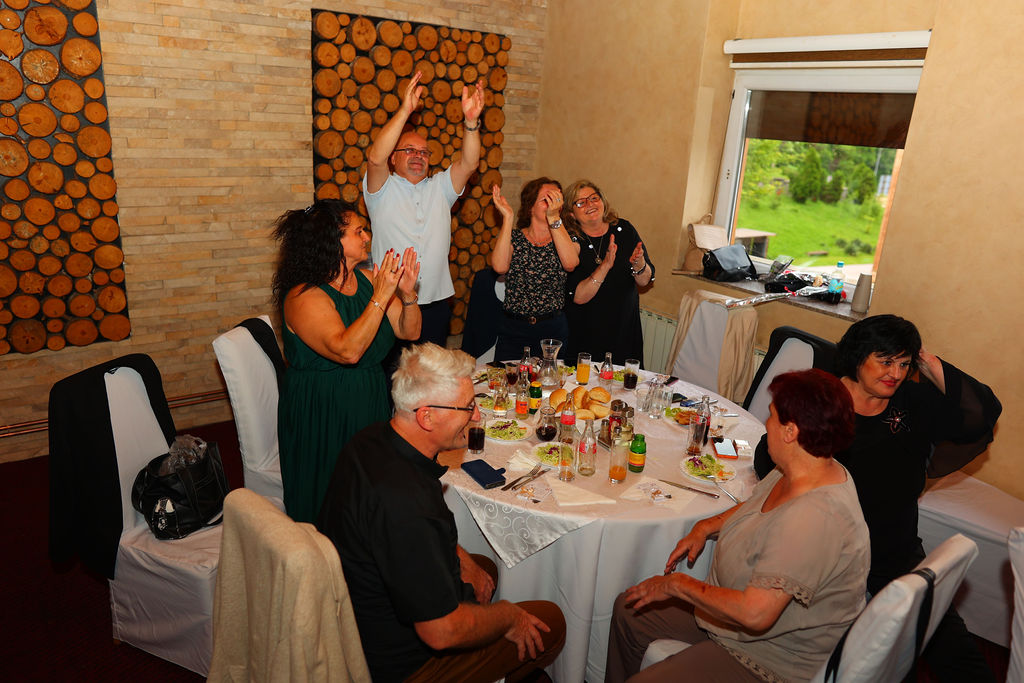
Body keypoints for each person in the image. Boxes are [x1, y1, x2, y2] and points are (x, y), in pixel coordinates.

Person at [754, 314, 1002, 682]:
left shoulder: (913, 403)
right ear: (858, 357)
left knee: (954, 649)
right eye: (885, 361)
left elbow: (980, 415)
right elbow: (767, 457)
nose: (896, 373)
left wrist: (925, 359)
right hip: (825, 549)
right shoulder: (822, 397)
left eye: (904, 363)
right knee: (842, 658)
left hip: (893, 550)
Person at [316, 343, 566, 682]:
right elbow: (440, 632)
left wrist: (462, 559)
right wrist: (508, 617)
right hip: (399, 664)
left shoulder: (370, 440)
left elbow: (415, 539)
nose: (477, 417)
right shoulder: (407, 503)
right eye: (468, 407)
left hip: (355, 608)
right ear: (427, 416)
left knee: (483, 567)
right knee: (550, 620)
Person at [607, 369, 869, 682]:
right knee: (630, 608)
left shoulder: (814, 518)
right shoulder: (806, 467)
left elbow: (755, 614)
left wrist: (678, 584)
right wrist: (706, 526)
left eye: (772, 415)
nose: (766, 425)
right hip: (733, 621)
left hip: (769, 657)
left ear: (790, 431)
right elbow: (757, 507)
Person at [271, 200, 421, 523]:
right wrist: (381, 297)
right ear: (332, 241)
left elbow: (409, 331)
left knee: (368, 492)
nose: (367, 237)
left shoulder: (368, 279)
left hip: (369, 397)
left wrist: (407, 295)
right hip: (322, 408)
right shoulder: (303, 296)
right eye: (358, 231)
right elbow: (347, 350)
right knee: (329, 496)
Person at [363, 70, 485, 347]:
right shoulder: (380, 189)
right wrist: (405, 111)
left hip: (435, 305)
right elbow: (375, 158)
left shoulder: (440, 187)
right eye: (409, 150)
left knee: (432, 372)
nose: (418, 156)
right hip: (389, 303)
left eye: (423, 152)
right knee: (392, 371)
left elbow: (469, 164)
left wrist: (470, 123)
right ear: (393, 159)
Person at [562, 180, 653, 366]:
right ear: (571, 213)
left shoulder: (624, 229)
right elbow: (578, 296)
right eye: (581, 202)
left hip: (624, 331)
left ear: (602, 201)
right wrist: (605, 266)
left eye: (594, 198)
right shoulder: (570, 241)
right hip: (586, 334)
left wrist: (639, 264)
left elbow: (645, 281)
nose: (590, 204)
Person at [491, 178, 579, 362]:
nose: (553, 203)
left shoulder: (568, 237)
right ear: (530, 206)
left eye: (557, 199)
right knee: (508, 378)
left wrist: (553, 218)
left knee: (551, 379)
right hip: (514, 328)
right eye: (547, 199)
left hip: (552, 329)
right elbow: (499, 267)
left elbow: (570, 263)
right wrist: (507, 218)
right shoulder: (515, 237)